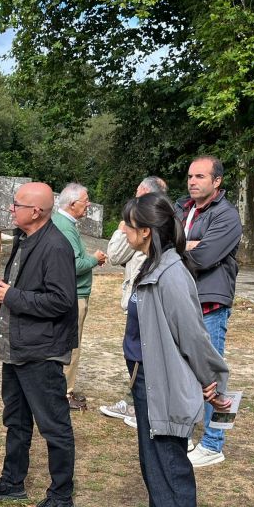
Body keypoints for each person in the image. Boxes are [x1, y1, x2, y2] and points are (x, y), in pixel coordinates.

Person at [108, 192, 231, 507]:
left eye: (128, 225)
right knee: (153, 466)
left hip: (164, 387)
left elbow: (194, 336)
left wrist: (213, 381)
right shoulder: (152, 263)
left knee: (171, 469)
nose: (123, 230)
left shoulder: (173, 273)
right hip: (146, 382)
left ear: (145, 232)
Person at [0, 182, 79, 507]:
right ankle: (13, 481)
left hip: (40, 352)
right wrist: (5, 293)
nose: (12, 209)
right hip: (16, 348)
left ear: (36, 211)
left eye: (16, 205)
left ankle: (61, 497)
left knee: (54, 426)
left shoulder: (55, 245)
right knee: (17, 420)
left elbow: (60, 301)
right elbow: (23, 289)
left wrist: (11, 296)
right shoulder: (25, 238)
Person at [175, 156, 242, 468]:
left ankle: (214, 444)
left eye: (200, 176)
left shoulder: (227, 216)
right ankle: (186, 434)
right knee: (184, 372)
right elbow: (158, 244)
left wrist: (181, 246)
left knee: (213, 375)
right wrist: (189, 244)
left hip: (210, 304)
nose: (192, 181)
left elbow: (204, 257)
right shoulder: (183, 208)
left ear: (217, 182)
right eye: (190, 176)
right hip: (182, 301)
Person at [99, 176, 168, 428]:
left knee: (140, 351)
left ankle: (141, 405)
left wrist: (121, 227)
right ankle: (135, 402)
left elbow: (115, 254)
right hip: (140, 293)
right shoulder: (164, 219)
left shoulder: (143, 224)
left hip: (143, 294)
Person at [52, 183, 106, 411]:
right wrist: (95, 258)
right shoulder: (65, 226)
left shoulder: (62, 222)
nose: (89, 204)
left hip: (71, 294)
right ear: (73, 204)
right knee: (72, 346)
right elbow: (73, 265)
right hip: (74, 295)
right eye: (86, 201)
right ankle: (65, 392)